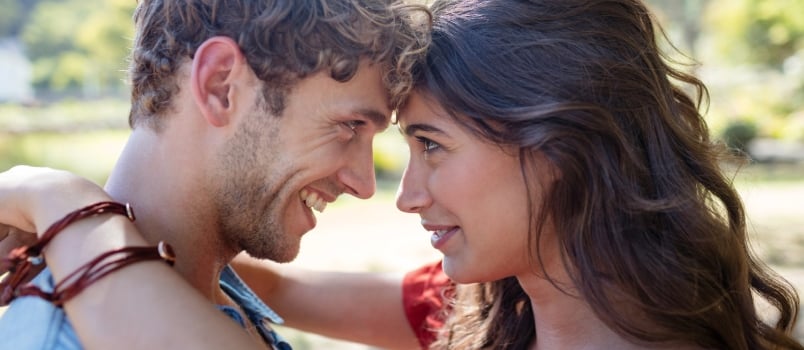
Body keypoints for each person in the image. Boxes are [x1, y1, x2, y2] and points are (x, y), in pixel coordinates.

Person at [2, 0, 803, 349]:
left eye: (430, 144)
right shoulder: (487, 313)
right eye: (353, 128)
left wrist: (63, 201)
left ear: (560, 142)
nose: (384, 189)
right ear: (217, 86)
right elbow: (267, 290)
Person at [0, 0, 429, 349]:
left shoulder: (224, 302)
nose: (364, 182)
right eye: (349, 125)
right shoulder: (58, 341)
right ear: (221, 86)